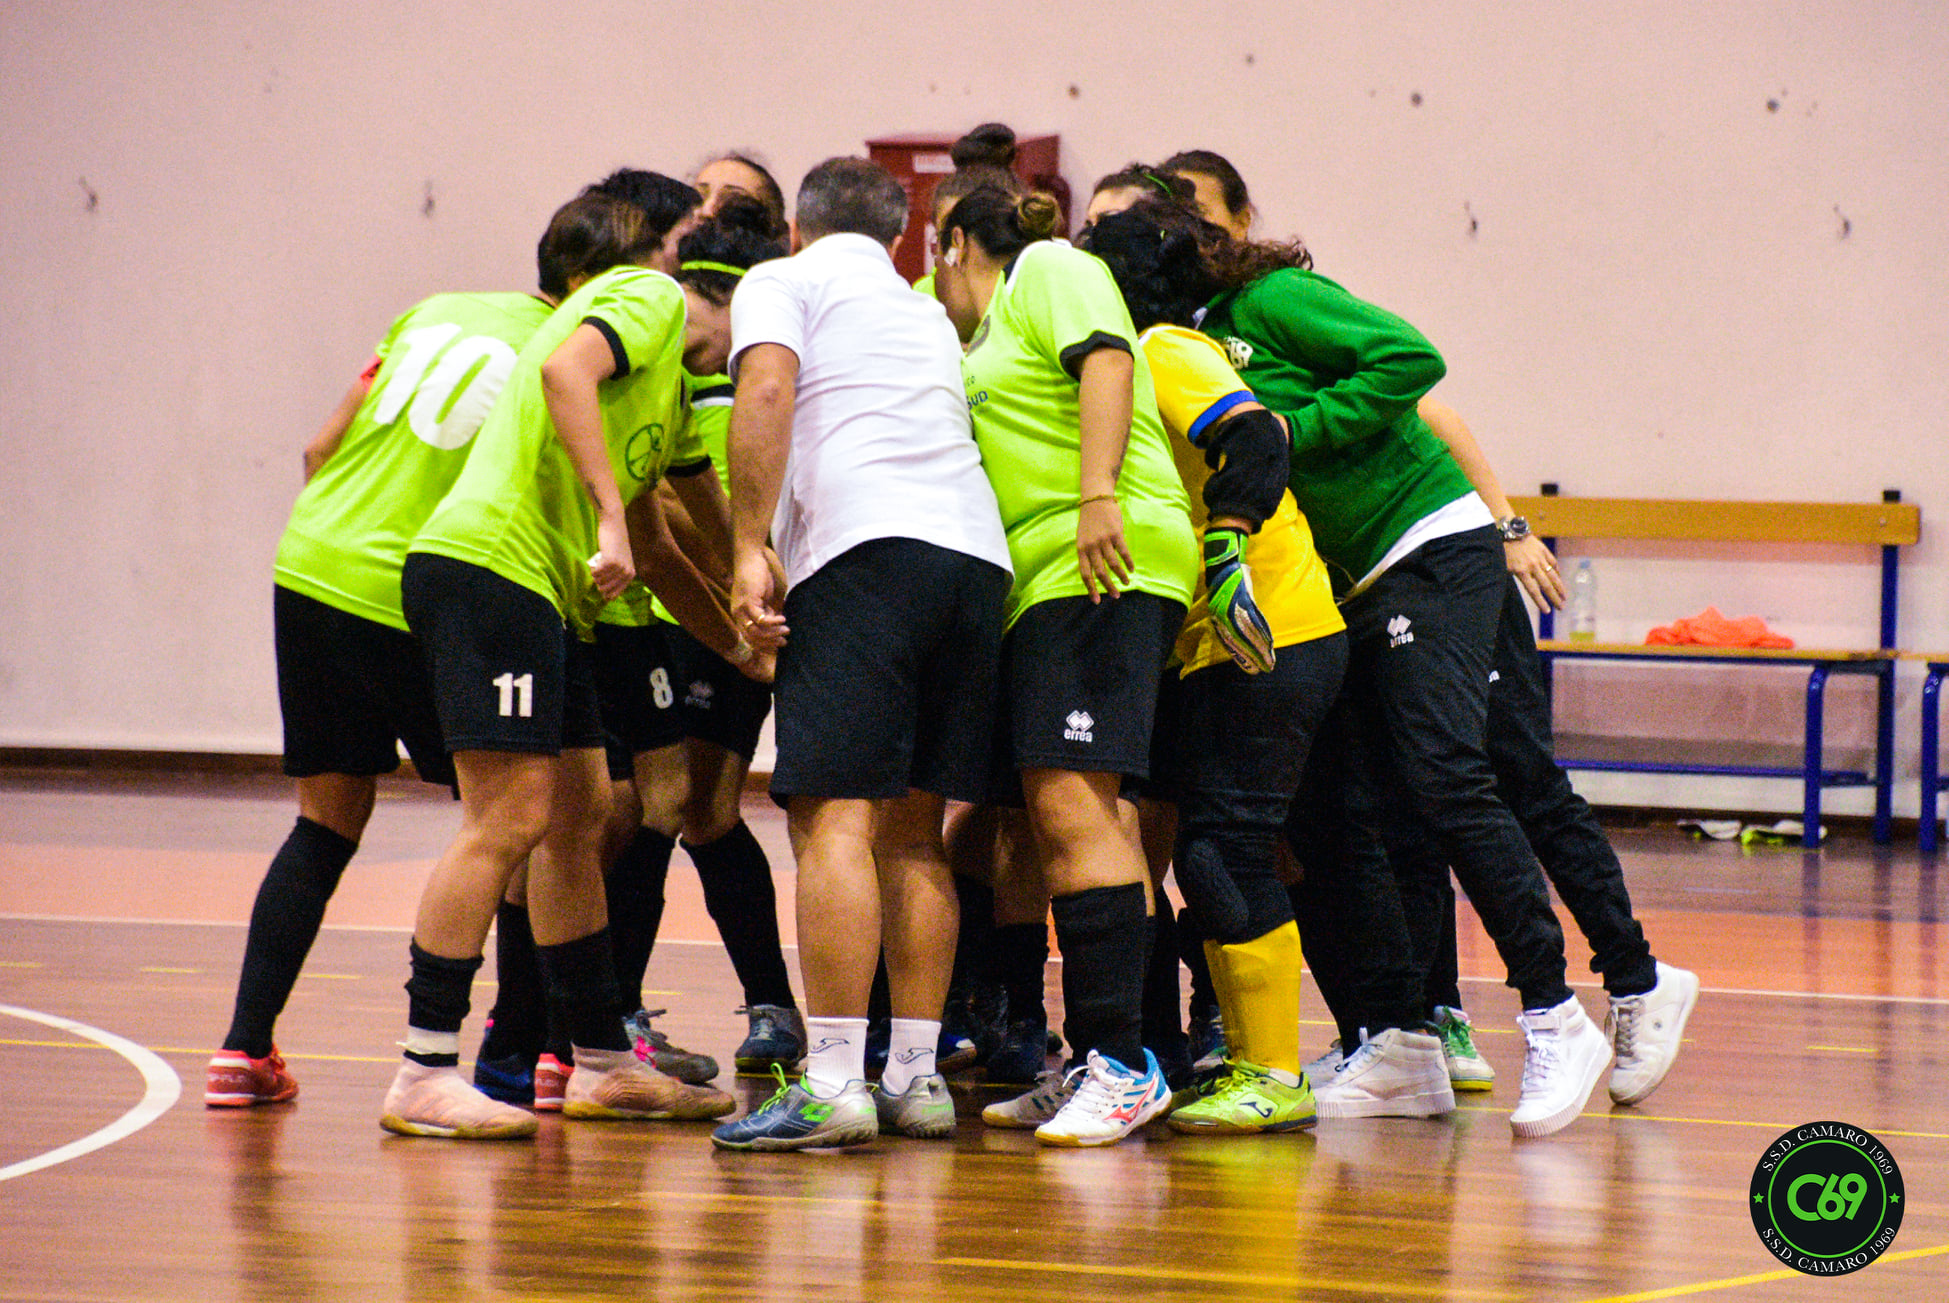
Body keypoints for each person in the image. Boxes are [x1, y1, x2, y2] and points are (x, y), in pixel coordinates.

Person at [1169, 147, 1697, 1110]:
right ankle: (1431, 1027)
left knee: (1480, 779)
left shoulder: (1273, 301)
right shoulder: (1187, 344)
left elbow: (1419, 376)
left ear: (1231, 224)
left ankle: (1593, 995)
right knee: (1412, 799)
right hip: (1369, 582)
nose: (1181, 235)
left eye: (1194, 214)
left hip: (1434, 551)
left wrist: (1504, 525)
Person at [206, 188, 658, 1108]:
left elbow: (317, 444)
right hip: (424, 581)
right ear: (587, 282)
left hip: (313, 559)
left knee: (326, 820)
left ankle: (242, 1050)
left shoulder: (435, 310)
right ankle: (509, 1056)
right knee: (523, 812)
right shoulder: (572, 348)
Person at [383, 190, 770, 1139]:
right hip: (487, 569)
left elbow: (671, 545)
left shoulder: (674, 395)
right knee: (508, 816)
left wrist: (739, 636)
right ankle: (424, 1067)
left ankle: (599, 1062)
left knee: (584, 810)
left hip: (543, 595)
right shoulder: (648, 295)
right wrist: (602, 511)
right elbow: (563, 369)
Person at [709, 157, 1014, 1151]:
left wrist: (749, 545)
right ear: (896, 239)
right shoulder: (925, 310)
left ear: (796, 227)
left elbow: (764, 390)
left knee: (832, 817)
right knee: (914, 829)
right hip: (973, 559)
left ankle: (834, 1083)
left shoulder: (782, 281)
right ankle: (915, 1078)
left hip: (862, 550)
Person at [932, 183, 1199, 1147]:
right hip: (1043, 576)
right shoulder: (984, 337)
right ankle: (1108, 1058)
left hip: (1100, 556)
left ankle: (1122, 1066)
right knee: (1081, 812)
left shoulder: (1051, 269)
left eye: (934, 258)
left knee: (1073, 805)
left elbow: (1108, 363)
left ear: (955, 242)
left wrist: (1096, 496)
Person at [1077, 199, 1350, 1135]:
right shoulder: (1157, 352)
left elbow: (1257, 438)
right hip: (1230, 637)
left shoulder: (1159, 350)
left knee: (1223, 847)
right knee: (1218, 845)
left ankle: (1273, 1070)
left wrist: (1228, 545)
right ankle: (1251, 1060)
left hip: (1265, 627)